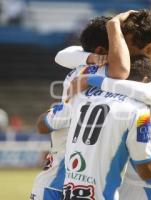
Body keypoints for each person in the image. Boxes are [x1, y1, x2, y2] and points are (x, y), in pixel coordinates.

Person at [55, 10, 151, 200]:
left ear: (149, 49)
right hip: (118, 181)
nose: (117, 50)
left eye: (124, 44)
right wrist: (92, 58)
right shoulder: (116, 69)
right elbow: (64, 54)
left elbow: (148, 93)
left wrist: (92, 80)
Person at [37, 54, 151, 200]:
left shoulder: (83, 97)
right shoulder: (138, 111)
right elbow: (146, 171)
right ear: (145, 80)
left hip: (70, 193)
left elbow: (42, 124)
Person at [30, 13, 132, 200]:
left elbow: (63, 55)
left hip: (68, 184)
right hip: (58, 185)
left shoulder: (84, 66)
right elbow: (121, 70)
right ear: (103, 49)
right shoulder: (105, 70)